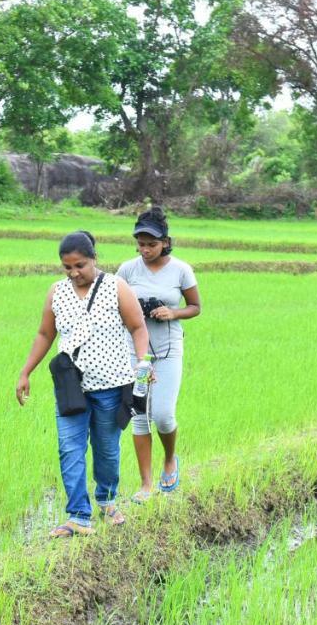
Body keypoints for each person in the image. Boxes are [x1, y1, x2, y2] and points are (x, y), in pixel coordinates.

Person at [15, 231, 152, 536]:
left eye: (80, 265)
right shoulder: (56, 292)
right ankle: (78, 515)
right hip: (71, 387)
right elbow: (44, 335)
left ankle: (106, 500)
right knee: (69, 448)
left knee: (106, 450)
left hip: (112, 386)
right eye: (67, 267)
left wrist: (143, 364)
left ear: (94, 259)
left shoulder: (116, 287)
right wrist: (25, 372)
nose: (74, 273)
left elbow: (138, 327)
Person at [118, 206, 201, 502]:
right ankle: (145, 484)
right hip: (135, 352)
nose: (145, 250)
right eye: (140, 244)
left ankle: (169, 459)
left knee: (164, 415)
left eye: (151, 244)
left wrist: (172, 311)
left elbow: (195, 307)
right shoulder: (127, 270)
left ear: (165, 242)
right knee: (139, 416)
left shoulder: (181, 270)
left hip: (168, 350)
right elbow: (116, 304)